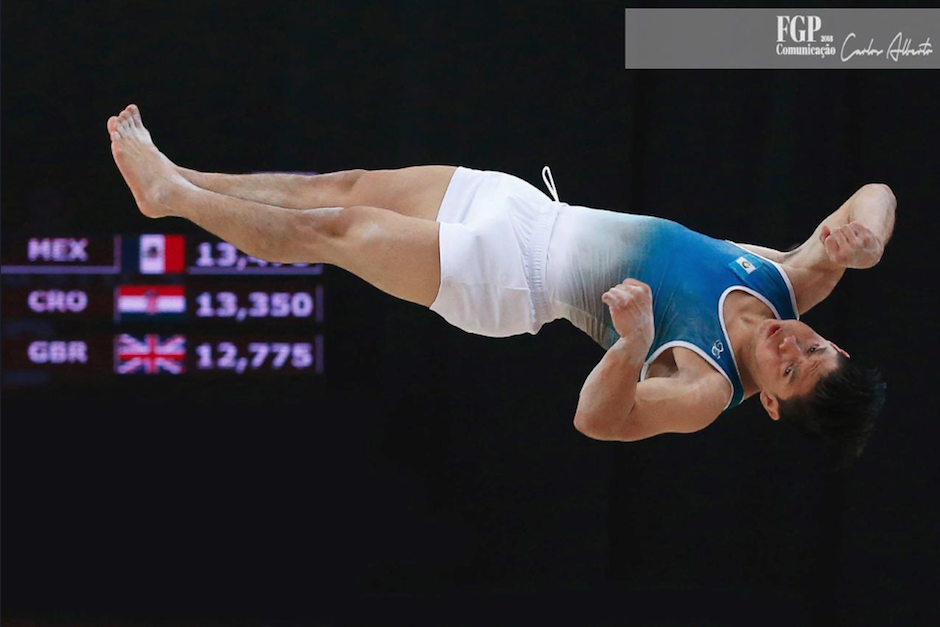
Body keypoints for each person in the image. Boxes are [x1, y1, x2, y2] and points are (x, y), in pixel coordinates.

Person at [107, 104, 894, 468]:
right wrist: (865, 239)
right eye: (814, 344)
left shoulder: (703, 387)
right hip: (522, 205)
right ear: (833, 335)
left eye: (790, 368)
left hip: (511, 281)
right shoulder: (794, 281)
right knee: (338, 188)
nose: (791, 342)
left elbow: (599, 422)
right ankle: (178, 177)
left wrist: (633, 345)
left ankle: (170, 198)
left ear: (769, 399)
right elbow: (875, 194)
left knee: (340, 235)